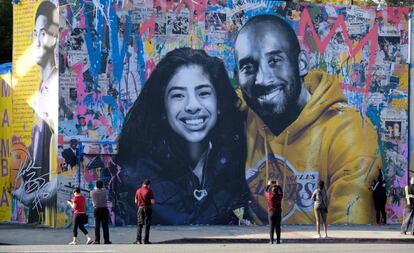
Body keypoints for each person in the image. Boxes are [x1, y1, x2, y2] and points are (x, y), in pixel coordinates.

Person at [234, 14, 380, 224]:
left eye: (275, 61)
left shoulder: (347, 129)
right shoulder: (239, 112)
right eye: (248, 67)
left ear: (301, 63)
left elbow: (350, 229)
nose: (261, 79)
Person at [116, 48, 249, 225]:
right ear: (163, 108)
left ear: (219, 104)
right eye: (178, 95)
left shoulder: (237, 163)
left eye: (203, 93)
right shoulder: (136, 175)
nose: (192, 106)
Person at [12, 0, 59, 223]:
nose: (39, 41)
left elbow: (63, 172)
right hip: (40, 207)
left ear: (56, 37)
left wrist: (32, 197)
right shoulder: (43, 88)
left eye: (46, 33)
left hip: (47, 208)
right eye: (35, 33)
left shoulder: (56, 86)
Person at [134, 179, 155, 244]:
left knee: (139, 224)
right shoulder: (149, 191)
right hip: (147, 208)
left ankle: (138, 240)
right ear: (148, 185)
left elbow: (135, 201)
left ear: (143, 184)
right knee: (147, 224)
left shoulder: (138, 190)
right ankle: (145, 240)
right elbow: (152, 201)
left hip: (140, 208)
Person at [264, 179, 283, 244]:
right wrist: (278, 185)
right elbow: (281, 191)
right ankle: (278, 241)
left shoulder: (270, 196)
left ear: (272, 191)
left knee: (271, 227)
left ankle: (271, 241)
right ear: (278, 191)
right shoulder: (280, 196)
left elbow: (265, 191)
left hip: (271, 212)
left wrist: (269, 184)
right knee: (278, 227)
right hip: (278, 212)